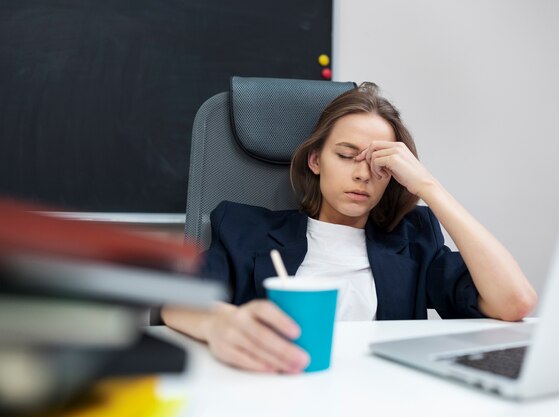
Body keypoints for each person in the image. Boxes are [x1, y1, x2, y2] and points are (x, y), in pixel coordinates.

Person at [162, 82, 537, 374]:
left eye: (380, 164)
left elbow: (514, 302)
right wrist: (221, 324)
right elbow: (174, 303)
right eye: (345, 155)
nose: (361, 173)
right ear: (315, 160)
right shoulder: (245, 228)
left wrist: (428, 187)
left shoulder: (413, 240)